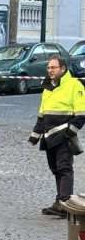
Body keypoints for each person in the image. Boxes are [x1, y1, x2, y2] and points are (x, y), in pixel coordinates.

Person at [29, 55, 85, 217]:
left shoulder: (74, 85)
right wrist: (35, 135)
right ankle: (60, 201)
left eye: (53, 68)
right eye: (48, 68)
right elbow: (43, 113)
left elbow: (81, 114)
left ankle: (65, 204)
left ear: (63, 68)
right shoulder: (48, 87)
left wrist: (69, 132)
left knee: (64, 168)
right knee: (55, 169)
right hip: (48, 136)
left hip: (64, 136)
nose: (50, 70)